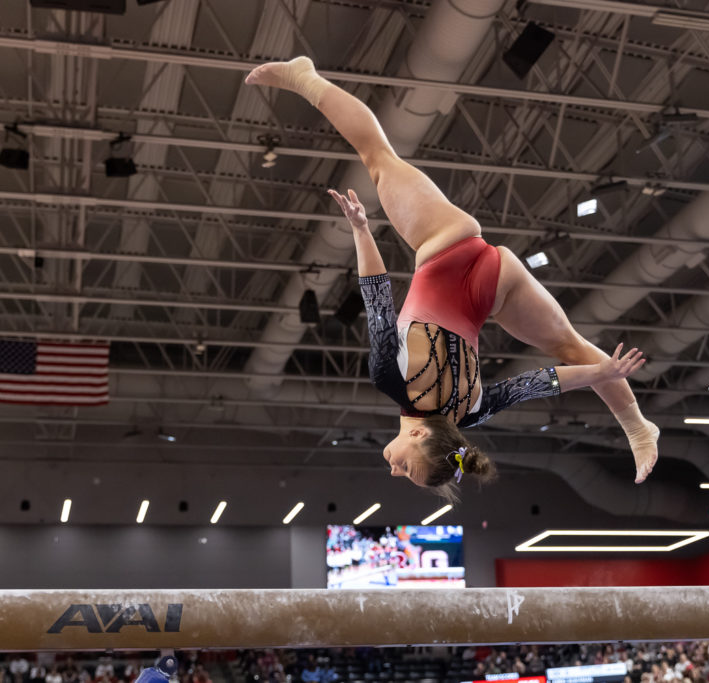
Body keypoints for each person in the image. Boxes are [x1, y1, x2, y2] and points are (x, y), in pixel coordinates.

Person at [246, 57, 660, 494]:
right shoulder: (391, 378)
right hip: (447, 246)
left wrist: (604, 372)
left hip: (497, 285)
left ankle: (637, 427)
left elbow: (543, 382)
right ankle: (303, 77)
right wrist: (361, 229)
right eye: (406, 469)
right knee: (377, 157)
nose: (393, 470)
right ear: (421, 435)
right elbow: (377, 298)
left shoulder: (472, 413)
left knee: (570, 347)